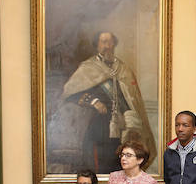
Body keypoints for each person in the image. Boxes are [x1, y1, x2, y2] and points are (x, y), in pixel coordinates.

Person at [51, 31, 157, 174]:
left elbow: (131, 98)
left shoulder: (123, 69)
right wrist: (93, 101)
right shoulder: (88, 68)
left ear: (114, 44)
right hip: (97, 124)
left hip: (121, 126)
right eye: (103, 42)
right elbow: (70, 93)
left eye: (110, 42)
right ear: (97, 45)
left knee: (120, 161)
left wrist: (130, 117)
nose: (107, 46)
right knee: (99, 163)